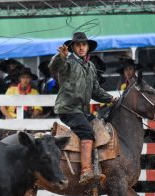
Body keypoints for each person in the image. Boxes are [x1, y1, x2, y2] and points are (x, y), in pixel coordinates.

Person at [49, 32, 117, 184]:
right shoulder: (67, 62)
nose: (81, 47)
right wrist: (60, 56)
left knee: (100, 127)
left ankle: (97, 166)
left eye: (84, 45)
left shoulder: (90, 66)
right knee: (87, 132)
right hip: (68, 109)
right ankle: (86, 171)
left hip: (82, 111)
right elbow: (54, 67)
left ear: (87, 47)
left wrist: (111, 98)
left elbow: (96, 91)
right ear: (72, 47)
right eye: (78, 45)